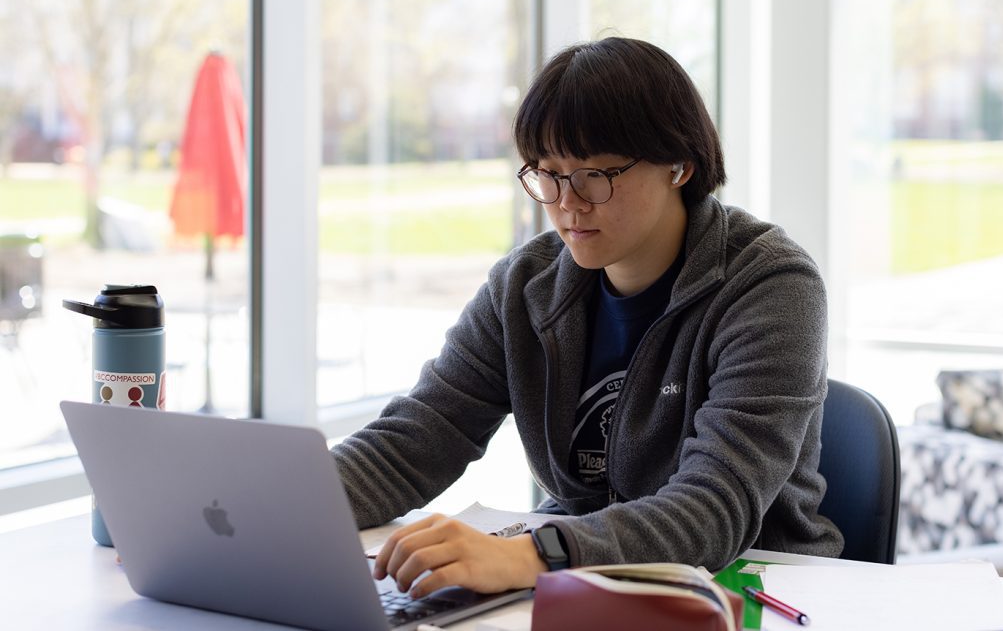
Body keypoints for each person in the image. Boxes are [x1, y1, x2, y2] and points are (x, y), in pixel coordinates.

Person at [330, 36, 843, 600]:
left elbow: (712, 509)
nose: (567, 203)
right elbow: (419, 437)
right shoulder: (525, 288)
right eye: (547, 173)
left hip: (752, 590)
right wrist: (279, 507)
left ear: (679, 164)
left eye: (595, 175)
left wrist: (534, 554)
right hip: (584, 582)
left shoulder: (770, 286)